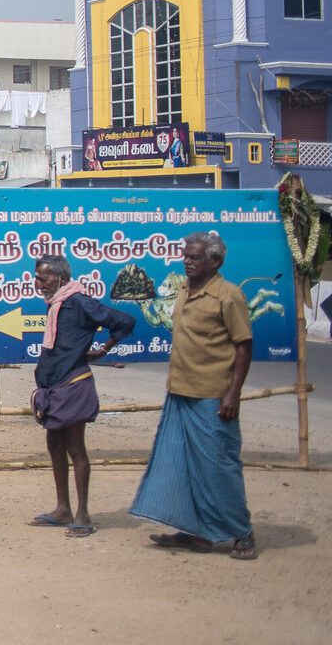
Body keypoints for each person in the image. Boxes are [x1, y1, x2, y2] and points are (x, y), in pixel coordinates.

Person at [131, 232, 258, 560]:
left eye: (194, 257)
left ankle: (242, 533)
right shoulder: (185, 289)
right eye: (185, 255)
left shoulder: (227, 296)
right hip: (180, 391)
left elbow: (243, 344)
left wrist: (233, 393)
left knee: (219, 466)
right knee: (182, 464)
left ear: (214, 261)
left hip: (213, 396)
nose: (186, 261)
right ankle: (196, 533)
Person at [26, 254, 134, 539]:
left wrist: (105, 348)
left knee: (76, 448)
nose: (38, 283)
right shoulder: (57, 304)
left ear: (61, 277)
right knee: (54, 443)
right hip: (53, 386)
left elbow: (124, 321)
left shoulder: (80, 302)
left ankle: (83, 514)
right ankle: (63, 508)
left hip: (73, 384)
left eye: (43, 278)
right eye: (37, 277)